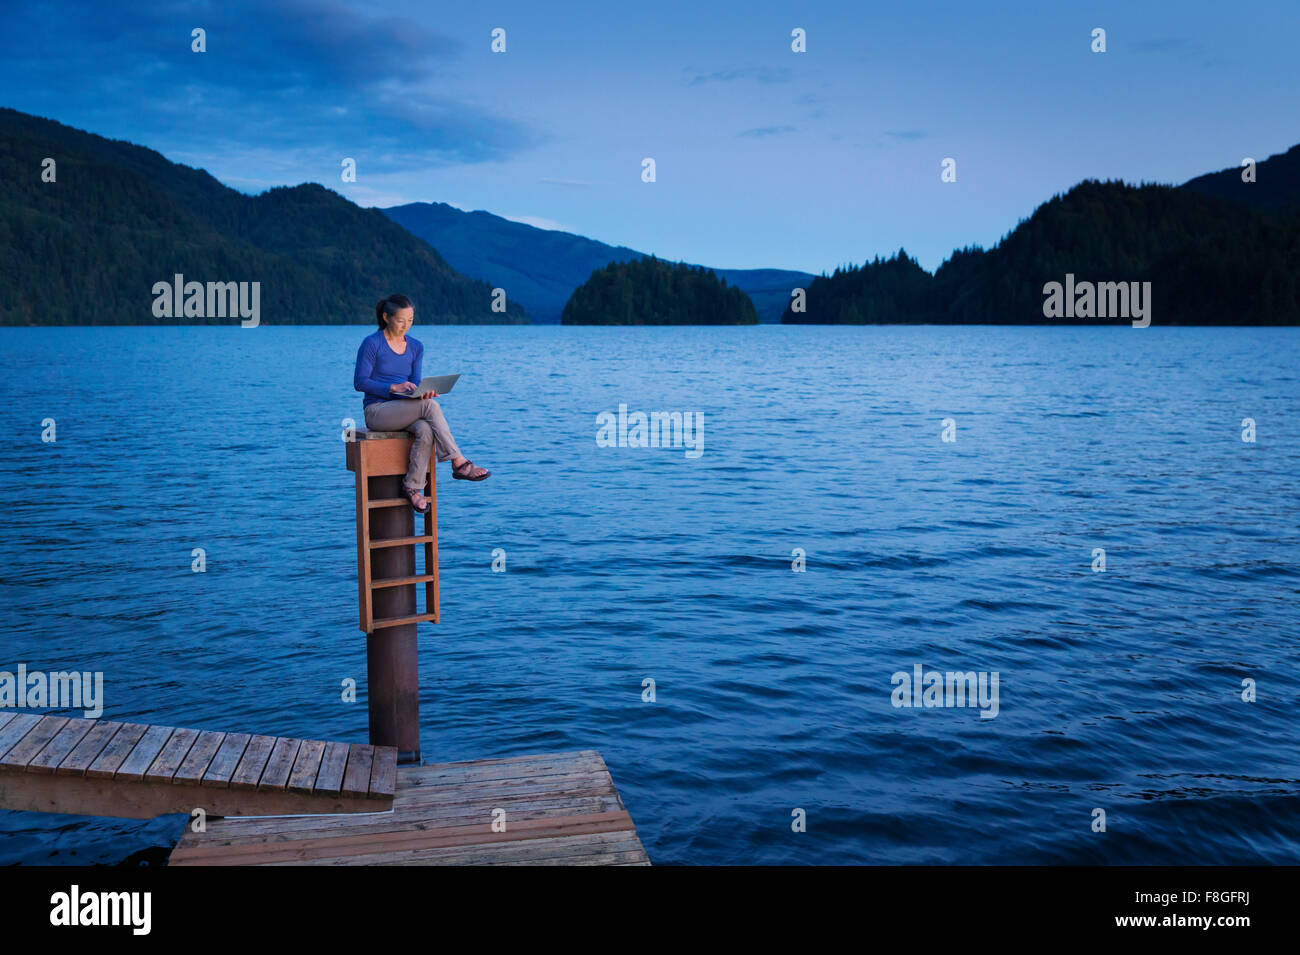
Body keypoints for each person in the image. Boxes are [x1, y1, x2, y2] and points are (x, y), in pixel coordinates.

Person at [354, 294, 490, 514]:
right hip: (377, 412)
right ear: (386, 317)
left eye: (411, 319)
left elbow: (415, 383)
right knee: (431, 409)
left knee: (426, 429)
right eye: (401, 320)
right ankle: (458, 462)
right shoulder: (372, 343)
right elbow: (360, 382)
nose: (407, 325)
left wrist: (422, 393)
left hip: (404, 410)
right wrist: (393, 388)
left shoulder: (416, 346)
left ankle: (413, 488)